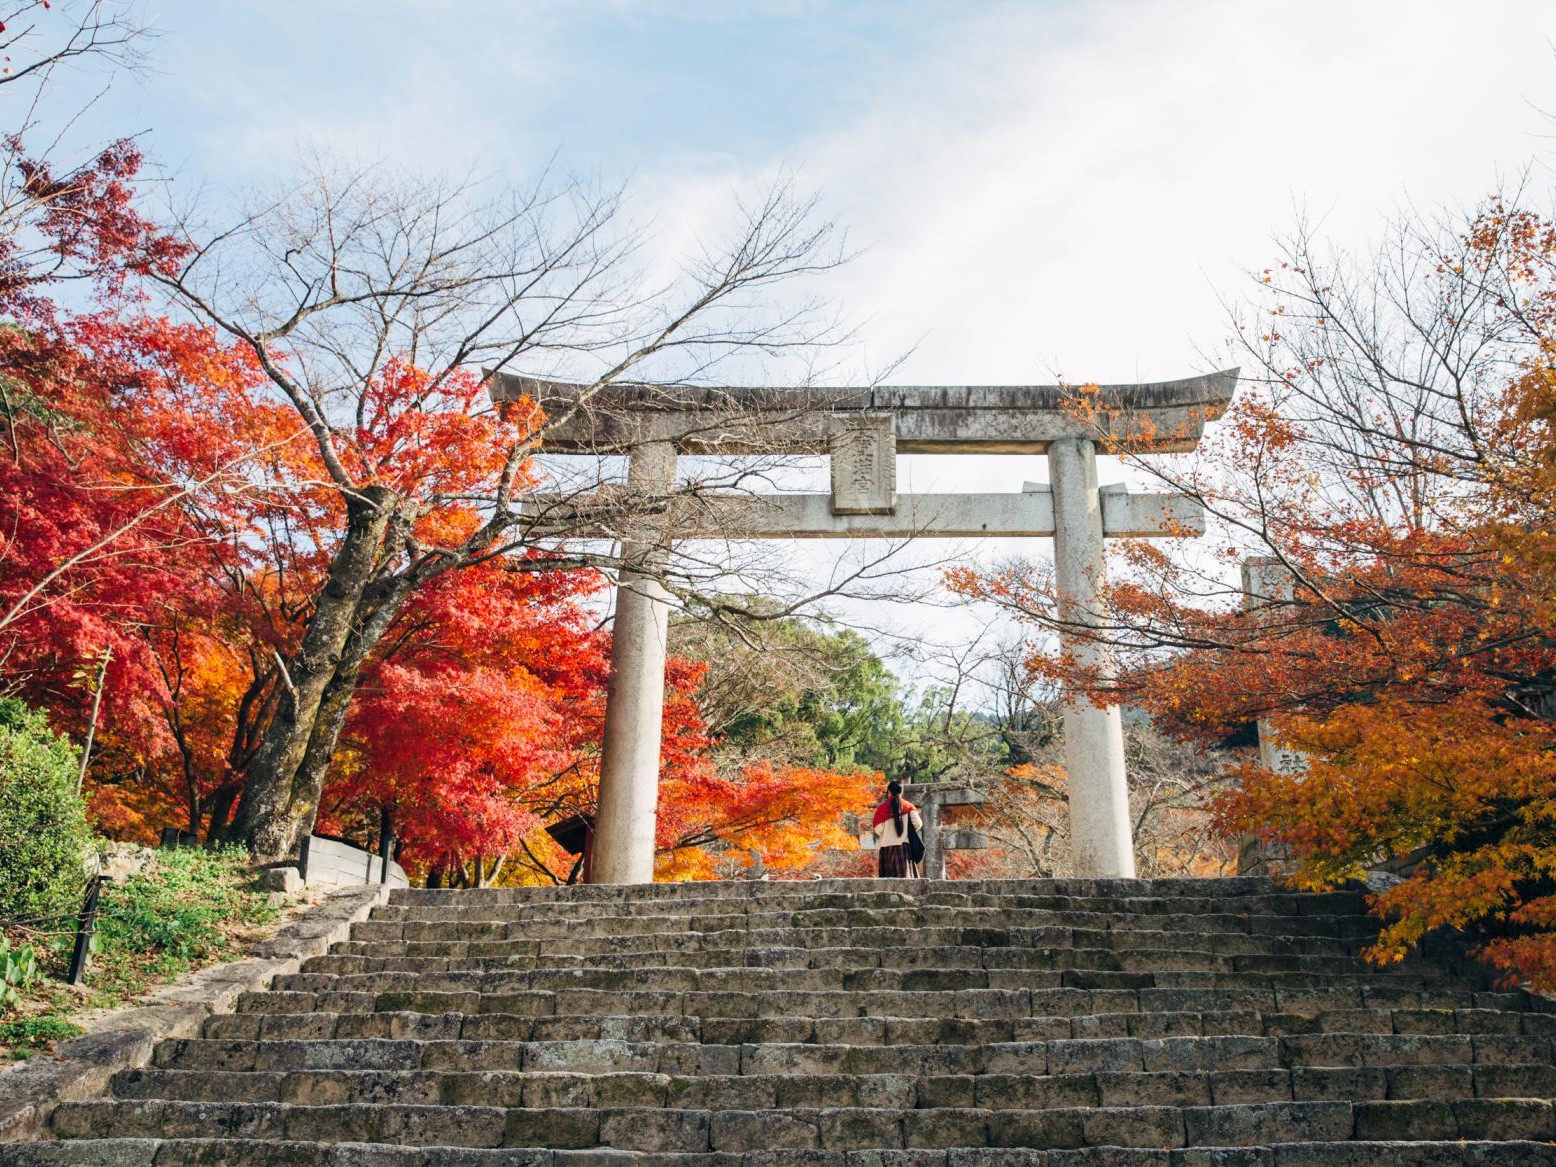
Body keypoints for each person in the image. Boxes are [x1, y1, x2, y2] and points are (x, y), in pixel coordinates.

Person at [871, 780, 923, 878]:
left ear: (889, 792)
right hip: (904, 848)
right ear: (901, 792)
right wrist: (906, 831)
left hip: (886, 848)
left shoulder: (882, 808)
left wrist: (887, 833)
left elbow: (878, 828)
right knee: (907, 880)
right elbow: (918, 823)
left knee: (887, 882)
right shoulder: (908, 806)